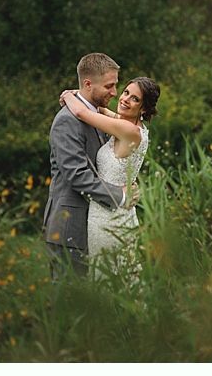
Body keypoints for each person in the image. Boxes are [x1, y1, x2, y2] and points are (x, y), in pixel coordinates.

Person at [43, 53, 138, 280]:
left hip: (94, 226)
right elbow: (77, 175)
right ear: (87, 84)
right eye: (109, 86)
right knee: (68, 305)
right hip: (69, 226)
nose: (115, 93)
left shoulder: (95, 115)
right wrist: (120, 196)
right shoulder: (67, 120)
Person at [59, 75, 160, 282]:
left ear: (143, 109)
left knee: (107, 277)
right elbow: (106, 112)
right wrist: (91, 100)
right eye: (125, 92)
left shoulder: (127, 130)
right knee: (117, 275)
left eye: (135, 99)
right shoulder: (132, 127)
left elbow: (80, 112)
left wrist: (69, 95)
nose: (124, 99)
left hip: (108, 217)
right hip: (116, 210)